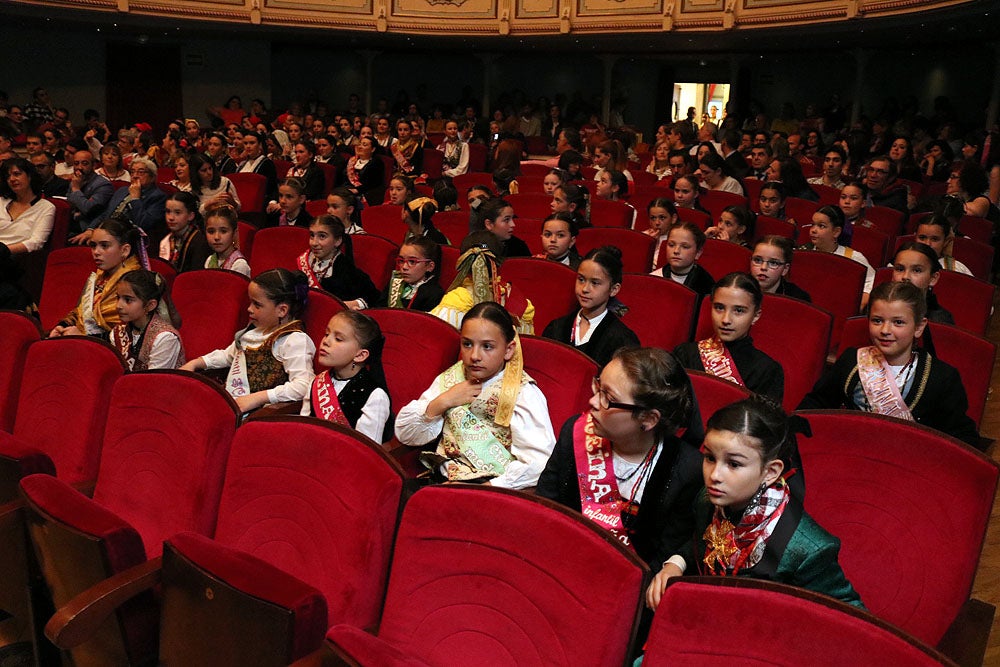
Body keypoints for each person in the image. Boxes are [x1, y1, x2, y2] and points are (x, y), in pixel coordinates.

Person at [646, 396, 863, 613]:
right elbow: (699, 543)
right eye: (710, 458)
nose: (714, 475)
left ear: (770, 472)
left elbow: (854, 618)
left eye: (733, 464)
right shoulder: (708, 499)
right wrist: (675, 564)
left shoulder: (808, 549)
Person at [537, 347, 702, 570]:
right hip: (560, 564)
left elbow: (665, 555)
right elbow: (544, 510)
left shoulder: (687, 469)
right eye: (598, 387)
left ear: (648, 419)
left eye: (608, 398)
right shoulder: (574, 433)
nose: (593, 401)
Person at [395, 301, 555, 488]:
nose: (474, 356)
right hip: (442, 478)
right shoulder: (452, 378)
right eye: (467, 344)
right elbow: (406, 435)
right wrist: (444, 401)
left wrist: (486, 489)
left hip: (490, 487)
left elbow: (538, 463)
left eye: (487, 346)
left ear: (508, 349)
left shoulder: (524, 392)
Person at [799, 281, 979, 447]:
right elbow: (815, 405)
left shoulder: (941, 377)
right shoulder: (851, 361)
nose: (885, 330)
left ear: (919, 327)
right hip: (849, 455)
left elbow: (961, 438)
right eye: (877, 320)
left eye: (898, 322)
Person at [180, 268, 315, 414]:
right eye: (250, 302)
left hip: (259, 416)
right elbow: (228, 356)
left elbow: (303, 385)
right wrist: (196, 363)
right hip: (234, 405)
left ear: (282, 310)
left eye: (257, 305)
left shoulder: (294, 340)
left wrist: (258, 398)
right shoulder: (253, 331)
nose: (249, 309)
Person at [675, 272, 784, 402]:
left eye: (738, 310)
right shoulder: (685, 354)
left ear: (756, 315)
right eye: (719, 308)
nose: (726, 319)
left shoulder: (766, 371)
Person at [300, 310, 393, 443]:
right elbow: (303, 430)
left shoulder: (374, 396)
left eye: (338, 339)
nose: (326, 341)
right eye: (327, 334)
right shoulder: (317, 382)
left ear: (360, 355)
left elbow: (367, 451)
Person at [542, 246, 639, 368]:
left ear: (614, 289)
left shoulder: (622, 340)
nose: (585, 289)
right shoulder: (557, 328)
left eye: (595, 283)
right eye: (581, 279)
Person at [49, 219, 145, 338]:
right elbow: (80, 312)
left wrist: (84, 338)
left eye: (104, 246)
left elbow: (134, 335)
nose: (96, 252)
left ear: (125, 250)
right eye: (93, 246)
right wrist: (62, 327)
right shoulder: (100, 276)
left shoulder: (137, 284)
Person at [432, 230, 535, 334]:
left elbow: (432, 334)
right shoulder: (521, 303)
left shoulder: (459, 299)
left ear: (463, 265)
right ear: (500, 263)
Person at [0, 158, 56, 309]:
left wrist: (4, 249)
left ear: (30, 176)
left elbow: (36, 242)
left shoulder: (46, 207)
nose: (12, 179)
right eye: (8, 176)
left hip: (16, 259)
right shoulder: (1, 202)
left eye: (17, 174)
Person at [108, 269, 185, 370]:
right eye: (118, 298)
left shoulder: (165, 338)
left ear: (150, 305)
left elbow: (154, 381)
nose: (118, 305)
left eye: (128, 300)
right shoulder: (117, 332)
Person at [801, 205, 874, 307]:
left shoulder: (852, 257)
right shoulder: (802, 253)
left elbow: (871, 282)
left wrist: (859, 304)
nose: (813, 230)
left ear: (836, 232)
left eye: (821, 226)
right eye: (813, 224)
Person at [299, 214, 379, 306]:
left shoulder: (348, 271)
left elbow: (373, 297)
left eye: (322, 236)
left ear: (338, 241)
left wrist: (351, 304)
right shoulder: (305, 262)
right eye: (312, 235)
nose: (314, 243)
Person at [891, 241, 952, 324]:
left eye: (917, 270)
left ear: (933, 278)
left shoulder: (939, 320)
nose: (905, 276)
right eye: (900, 269)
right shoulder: (878, 306)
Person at [650, 221, 715, 297]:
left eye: (685, 247)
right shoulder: (654, 278)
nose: (676, 251)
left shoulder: (707, 286)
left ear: (698, 253)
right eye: (671, 245)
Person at [159, 191, 211, 273]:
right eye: (168, 212)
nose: (171, 217)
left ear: (190, 216)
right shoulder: (164, 237)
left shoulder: (200, 242)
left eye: (177, 213)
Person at [66, 149, 114, 235]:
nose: (79, 167)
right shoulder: (76, 180)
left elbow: (89, 209)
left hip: (87, 228)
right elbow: (69, 203)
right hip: (69, 223)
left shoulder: (103, 185)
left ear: (94, 165)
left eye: (84, 164)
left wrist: (76, 189)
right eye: (76, 163)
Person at [751, 235, 810, 301]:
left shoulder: (798, 299)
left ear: (785, 269)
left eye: (773, 263)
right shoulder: (738, 287)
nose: (763, 267)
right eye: (757, 260)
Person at [203, 204, 251, 276]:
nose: (216, 237)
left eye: (223, 231)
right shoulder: (210, 260)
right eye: (211, 232)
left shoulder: (239, 265)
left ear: (234, 233)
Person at [346, 136, 385, 207]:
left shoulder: (376, 163)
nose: (360, 147)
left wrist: (357, 190)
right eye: (360, 144)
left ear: (373, 149)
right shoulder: (351, 161)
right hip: (349, 190)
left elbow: (373, 183)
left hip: (368, 193)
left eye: (364, 145)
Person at [643, 198, 677, 270]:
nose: (657, 223)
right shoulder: (643, 236)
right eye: (653, 218)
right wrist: (648, 244)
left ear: (673, 218)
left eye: (662, 218)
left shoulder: (677, 240)